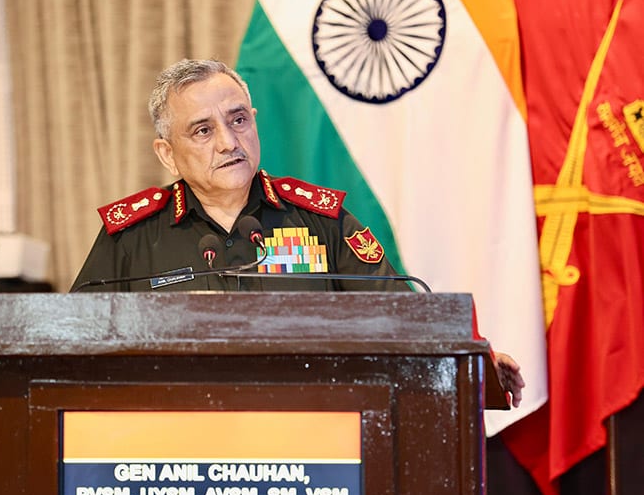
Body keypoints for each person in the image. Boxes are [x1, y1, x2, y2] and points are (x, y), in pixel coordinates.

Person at [70, 58, 524, 406]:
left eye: (238, 120)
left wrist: (473, 362)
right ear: (167, 154)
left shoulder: (322, 222)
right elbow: (72, 345)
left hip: (311, 442)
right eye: (203, 131)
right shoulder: (129, 237)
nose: (228, 142)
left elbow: (401, 318)